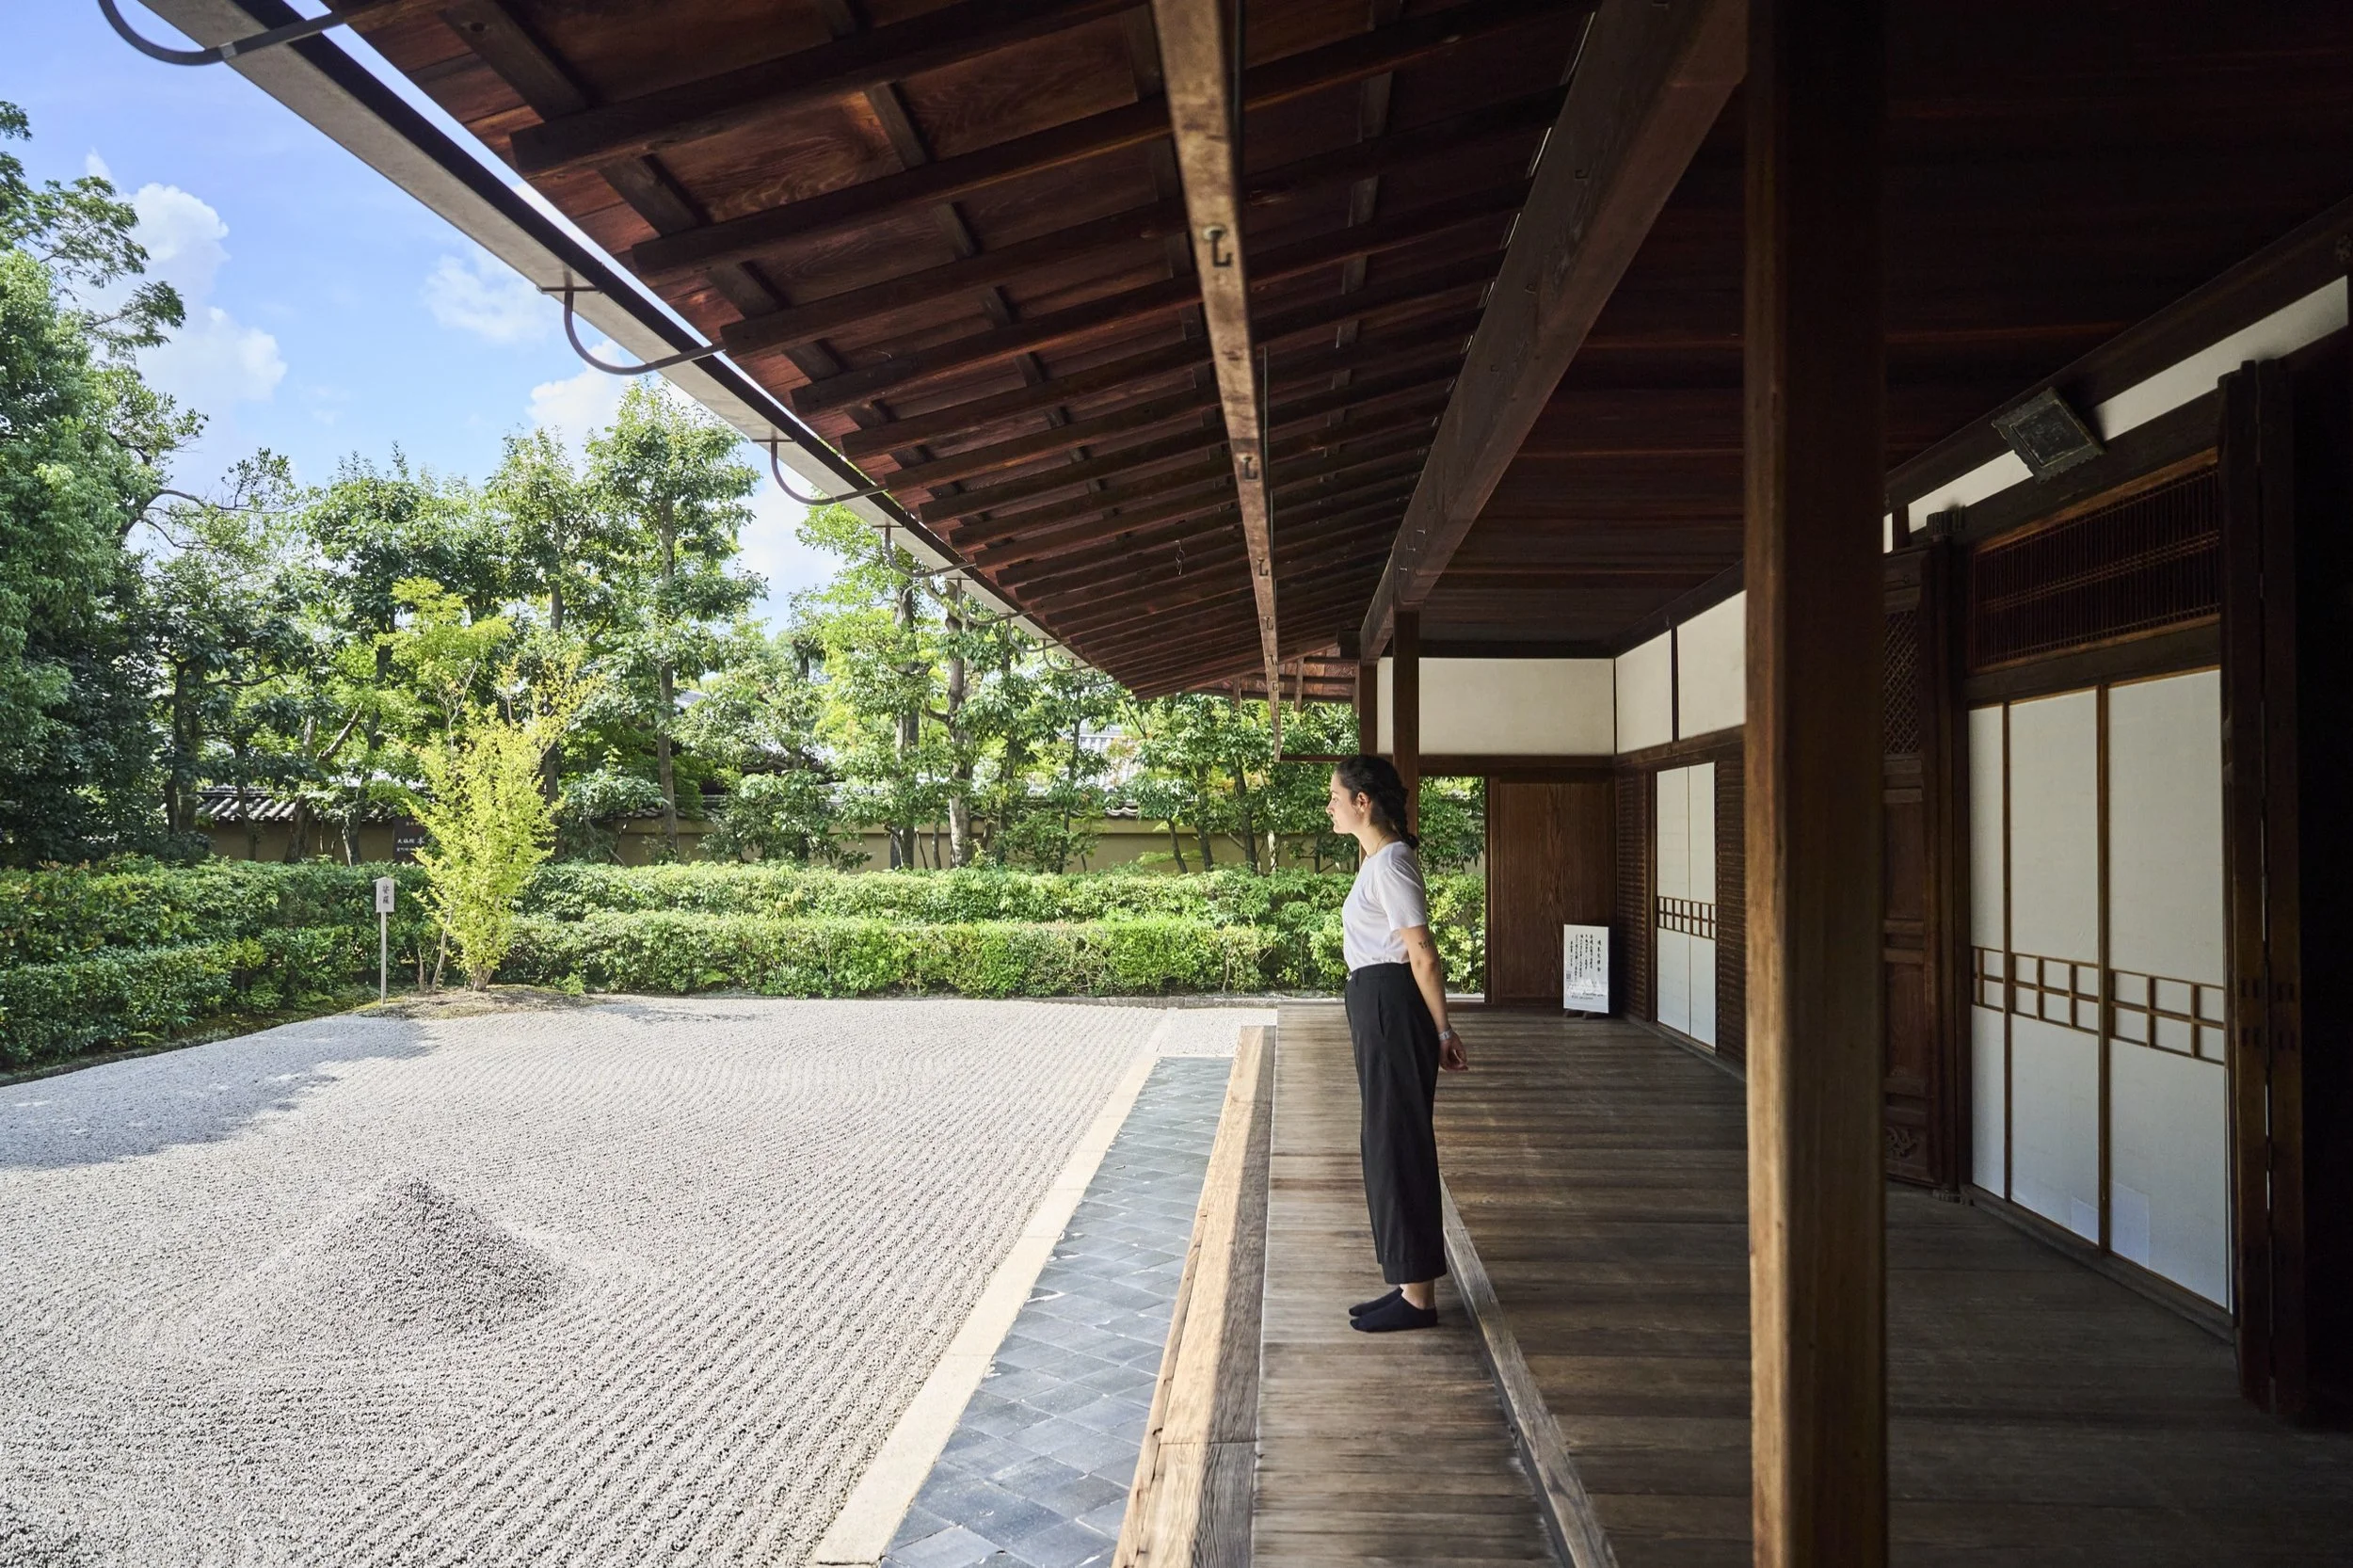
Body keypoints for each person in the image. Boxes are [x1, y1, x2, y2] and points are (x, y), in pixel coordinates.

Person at [1326, 755, 1467, 1334]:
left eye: (1335, 797)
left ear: (1363, 802)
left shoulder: (1392, 863)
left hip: (1392, 1003)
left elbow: (1422, 953)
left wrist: (1443, 1030)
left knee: (1399, 1141)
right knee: (1385, 1140)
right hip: (1377, 1002)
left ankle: (1419, 1298)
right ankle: (1407, 1284)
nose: (1330, 807)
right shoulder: (1378, 861)